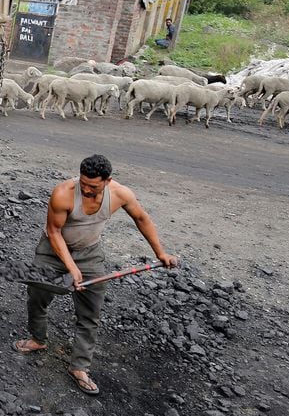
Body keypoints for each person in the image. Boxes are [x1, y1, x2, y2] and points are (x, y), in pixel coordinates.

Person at [12, 154, 178, 395]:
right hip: (52, 251)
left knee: (90, 312)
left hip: (90, 254)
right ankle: (38, 338)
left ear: (108, 181)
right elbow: (54, 231)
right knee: (37, 296)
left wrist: (161, 252)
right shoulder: (63, 193)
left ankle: (79, 366)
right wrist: (71, 268)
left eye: (94, 186)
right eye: (84, 184)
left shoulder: (121, 194)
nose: (87, 189)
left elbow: (142, 218)